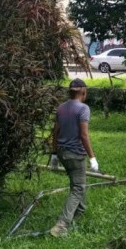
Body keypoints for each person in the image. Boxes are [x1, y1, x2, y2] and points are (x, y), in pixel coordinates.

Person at [49, 78, 99, 237]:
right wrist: (92, 158)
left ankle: (80, 214)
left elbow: (55, 132)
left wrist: (54, 154)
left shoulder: (61, 108)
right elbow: (84, 135)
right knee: (78, 188)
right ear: (84, 92)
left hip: (63, 153)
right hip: (76, 155)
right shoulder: (83, 109)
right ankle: (62, 225)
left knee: (78, 183)